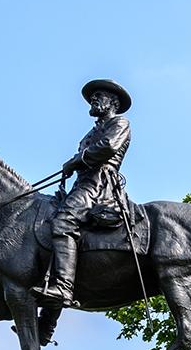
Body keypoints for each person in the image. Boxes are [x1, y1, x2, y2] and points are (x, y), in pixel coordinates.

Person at [32, 79, 133, 306]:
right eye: (92, 97)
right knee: (49, 229)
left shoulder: (120, 123)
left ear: (113, 102)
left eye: (99, 96)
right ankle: (47, 323)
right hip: (83, 183)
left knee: (63, 223)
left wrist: (77, 160)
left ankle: (64, 288)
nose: (93, 99)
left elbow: (107, 147)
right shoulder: (91, 131)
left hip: (99, 185)